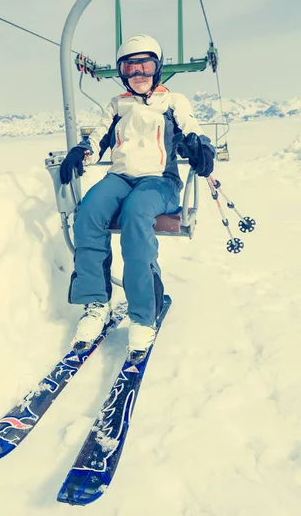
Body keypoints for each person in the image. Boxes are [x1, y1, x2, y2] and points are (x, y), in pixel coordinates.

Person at [59, 33, 215, 362]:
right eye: (130, 68)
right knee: (89, 212)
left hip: (159, 181)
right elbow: (99, 136)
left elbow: (191, 128)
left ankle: (143, 315)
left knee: (135, 216)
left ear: (157, 69)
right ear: (122, 73)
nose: (138, 74)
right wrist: (82, 152)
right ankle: (96, 303)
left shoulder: (174, 102)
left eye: (145, 66)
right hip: (120, 176)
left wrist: (200, 147)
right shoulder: (118, 104)